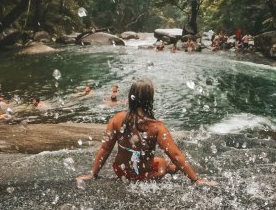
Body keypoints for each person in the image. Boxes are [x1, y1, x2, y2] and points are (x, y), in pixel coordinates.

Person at [77, 79, 214, 185]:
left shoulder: (117, 119)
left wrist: (93, 174)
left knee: (160, 160)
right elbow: (176, 155)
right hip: (144, 175)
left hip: (121, 171)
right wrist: (196, 180)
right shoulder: (157, 127)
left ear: (131, 98)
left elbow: (105, 149)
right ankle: (172, 169)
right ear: (150, 100)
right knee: (165, 163)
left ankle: (170, 168)